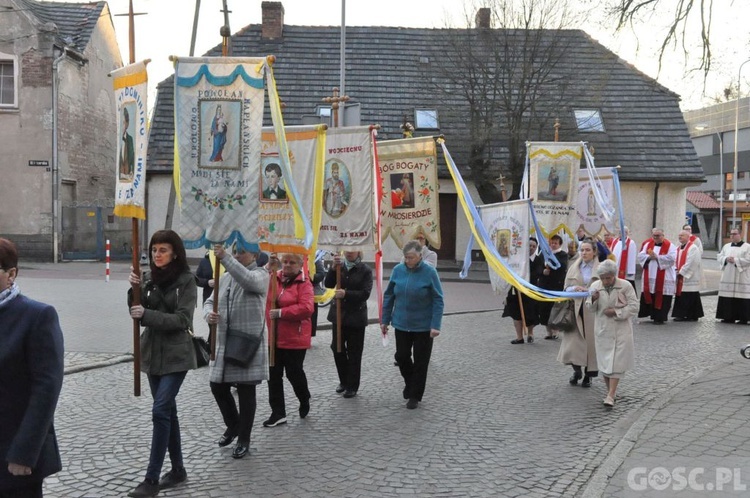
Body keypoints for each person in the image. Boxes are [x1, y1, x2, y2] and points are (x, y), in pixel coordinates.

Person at [126, 230, 197, 497]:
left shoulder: (187, 281)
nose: (157, 255)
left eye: (163, 250)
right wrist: (133, 289)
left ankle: (151, 479)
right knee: (168, 412)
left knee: (159, 411)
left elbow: (182, 320)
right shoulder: (147, 279)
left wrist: (147, 313)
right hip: (152, 354)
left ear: (175, 253)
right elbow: (135, 311)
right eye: (154, 249)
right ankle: (178, 470)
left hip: (177, 355)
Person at [0, 238, 64, 498]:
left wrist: (23, 453)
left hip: (12, 456)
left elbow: (46, 389)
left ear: (11, 274)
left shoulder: (37, 316)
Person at [204, 244, 269, 460]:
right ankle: (233, 425)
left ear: (255, 255)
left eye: (242, 251)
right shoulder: (225, 277)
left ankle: (244, 438)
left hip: (247, 342)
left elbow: (247, 280)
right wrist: (208, 315)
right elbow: (209, 301)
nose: (238, 254)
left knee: (245, 390)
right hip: (224, 341)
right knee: (217, 386)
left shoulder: (261, 274)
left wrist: (224, 258)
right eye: (235, 251)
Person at [381, 241, 444, 409]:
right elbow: (389, 296)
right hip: (401, 323)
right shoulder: (397, 270)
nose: (408, 260)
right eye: (406, 257)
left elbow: (438, 299)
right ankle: (410, 383)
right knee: (401, 356)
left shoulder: (429, 272)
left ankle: (415, 396)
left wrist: (436, 324)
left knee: (421, 361)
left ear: (420, 256)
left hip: (423, 326)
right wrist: (384, 320)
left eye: (411, 257)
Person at [264, 253, 314, 427]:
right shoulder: (273, 278)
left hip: (294, 338)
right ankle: (278, 413)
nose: (287, 265)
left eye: (292, 262)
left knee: (294, 373)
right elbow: (256, 284)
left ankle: (304, 397)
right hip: (273, 337)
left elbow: (307, 308)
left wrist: (282, 313)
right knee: (273, 376)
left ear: (300, 265)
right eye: (284, 262)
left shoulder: (304, 283)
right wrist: (267, 267)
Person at [586, 260, 638, 407]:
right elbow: (589, 307)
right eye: (602, 278)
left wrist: (616, 312)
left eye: (608, 278)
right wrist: (593, 299)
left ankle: (611, 394)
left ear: (614, 275)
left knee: (617, 363)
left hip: (621, 330)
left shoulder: (625, 286)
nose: (605, 281)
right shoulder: (595, 286)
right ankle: (610, 391)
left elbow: (634, 307)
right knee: (605, 363)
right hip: (603, 329)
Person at [325, 250, 373, 398]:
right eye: (347, 250)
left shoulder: (365, 270)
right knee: (337, 348)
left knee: (354, 352)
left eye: (352, 250)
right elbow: (328, 284)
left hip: (356, 317)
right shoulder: (340, 266)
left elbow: (365, 293)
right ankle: (344, 381)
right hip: (339, 315)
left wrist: (346, 294)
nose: (349, 253)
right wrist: (333, 269)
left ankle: (352, 385)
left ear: (359, 252)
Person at [557, 239, 599, 387]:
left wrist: (588, 291)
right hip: (574, 309)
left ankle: (589, 374)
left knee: (590, 343)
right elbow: (565, 288)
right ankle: (577, 370)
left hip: (591, 310)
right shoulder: (574, 267)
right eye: (582, 250)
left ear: (594, 252)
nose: (584, 253)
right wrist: (575, 289)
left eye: (588, 250)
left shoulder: (600, 268)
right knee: (573, 343)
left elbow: (604, 288)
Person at [503, 237, 544, 344]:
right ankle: (519, 337)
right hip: (515, 289)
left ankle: (530, 333)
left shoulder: (538, 259)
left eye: (533, 246)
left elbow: (538, 273)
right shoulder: (517, 258)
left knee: (530, 312)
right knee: (515, 312)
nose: (531, 248)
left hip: (530, 290)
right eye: (529, 245)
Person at [637, 228, 677, 324]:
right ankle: (652, 315)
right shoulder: (648, 244)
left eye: (658, 236)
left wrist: (658, 257)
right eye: (654, 236)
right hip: (650, 275)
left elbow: (672, 258)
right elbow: (640, 256)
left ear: (663, 236)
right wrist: (649, 257)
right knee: (651, 295)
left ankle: (660, 317)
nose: (655, 238)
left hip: (664, 276)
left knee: (662, 296)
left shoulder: (670, 246)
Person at [538, 234, 569, 340]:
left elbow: (562, 266)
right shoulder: (543, 253)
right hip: (544, 285)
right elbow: (538, 267)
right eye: (551, 243)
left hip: (556, 285)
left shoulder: (563, 255)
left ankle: (556, 330)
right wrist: (542, 271)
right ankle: (548, 331)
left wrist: (551, 261)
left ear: (559, 244)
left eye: (555, 243)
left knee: (555, 308)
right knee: (544, 308)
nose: (553, 245)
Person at [716, 228, 750, 324]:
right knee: (727, 296)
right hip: (728, 275)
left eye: (734, 234)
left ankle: (743, 318)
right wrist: (726, 258)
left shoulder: (747, 247)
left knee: (742, 297)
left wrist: (736, 260)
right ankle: (728, 317)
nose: (732, 236)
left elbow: (748, 260)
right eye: (730, 234)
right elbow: (719, 256)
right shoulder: (726, 246)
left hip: (741, 276)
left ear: (740, 234)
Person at [671, 230, 704, 322]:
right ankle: (681, 314)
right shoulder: (678, 248)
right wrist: (675, 270)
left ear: (688, 237)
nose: (680, 237)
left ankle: (692, 315)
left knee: (690, 295)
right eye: (679, 235)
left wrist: (682, 272)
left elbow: (692, 262)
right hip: (680, 275)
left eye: (682, 235)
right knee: (681, 295)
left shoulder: (693, 248)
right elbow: (674, 260)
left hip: (689, 276)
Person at [309, 256, 326, 338]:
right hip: (295, 291)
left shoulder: (315, 257)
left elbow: (321, 274)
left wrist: (310, 277)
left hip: (311, 291)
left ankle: (309, 334)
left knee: (311, 315)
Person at [120, 107, 135, 178]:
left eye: (123, 123)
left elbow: (132, 159)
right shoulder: (117, 140)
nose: (121, 127)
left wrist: (132, 172)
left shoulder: (130, 140)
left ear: (127, 124)